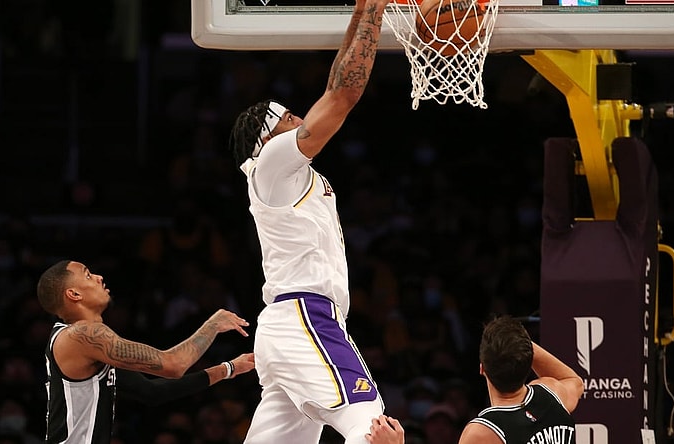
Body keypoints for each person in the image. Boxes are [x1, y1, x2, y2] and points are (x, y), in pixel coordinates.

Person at [228, 0, 391, 442]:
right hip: (306, 315)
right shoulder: (271, 162)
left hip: (289, 325)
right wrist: (375, 8)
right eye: (288, 118)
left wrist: (362, 11)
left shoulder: (287, 172)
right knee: (370, 423)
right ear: (267, 138)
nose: (300, 118)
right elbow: (342, 95)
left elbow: (334, 83)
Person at [36, 259, 255, 444]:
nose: (99, 277)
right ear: (73, 294)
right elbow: (173, 364)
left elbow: (151, 391)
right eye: (87, 275)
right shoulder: (83, 335)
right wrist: (213, 325)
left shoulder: (85, 345)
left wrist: (228, 369)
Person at [367, 315, 584, 444]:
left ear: (482, 369)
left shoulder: (484, 431)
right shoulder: (551, 393)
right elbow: (573, 379)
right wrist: (519, 343)